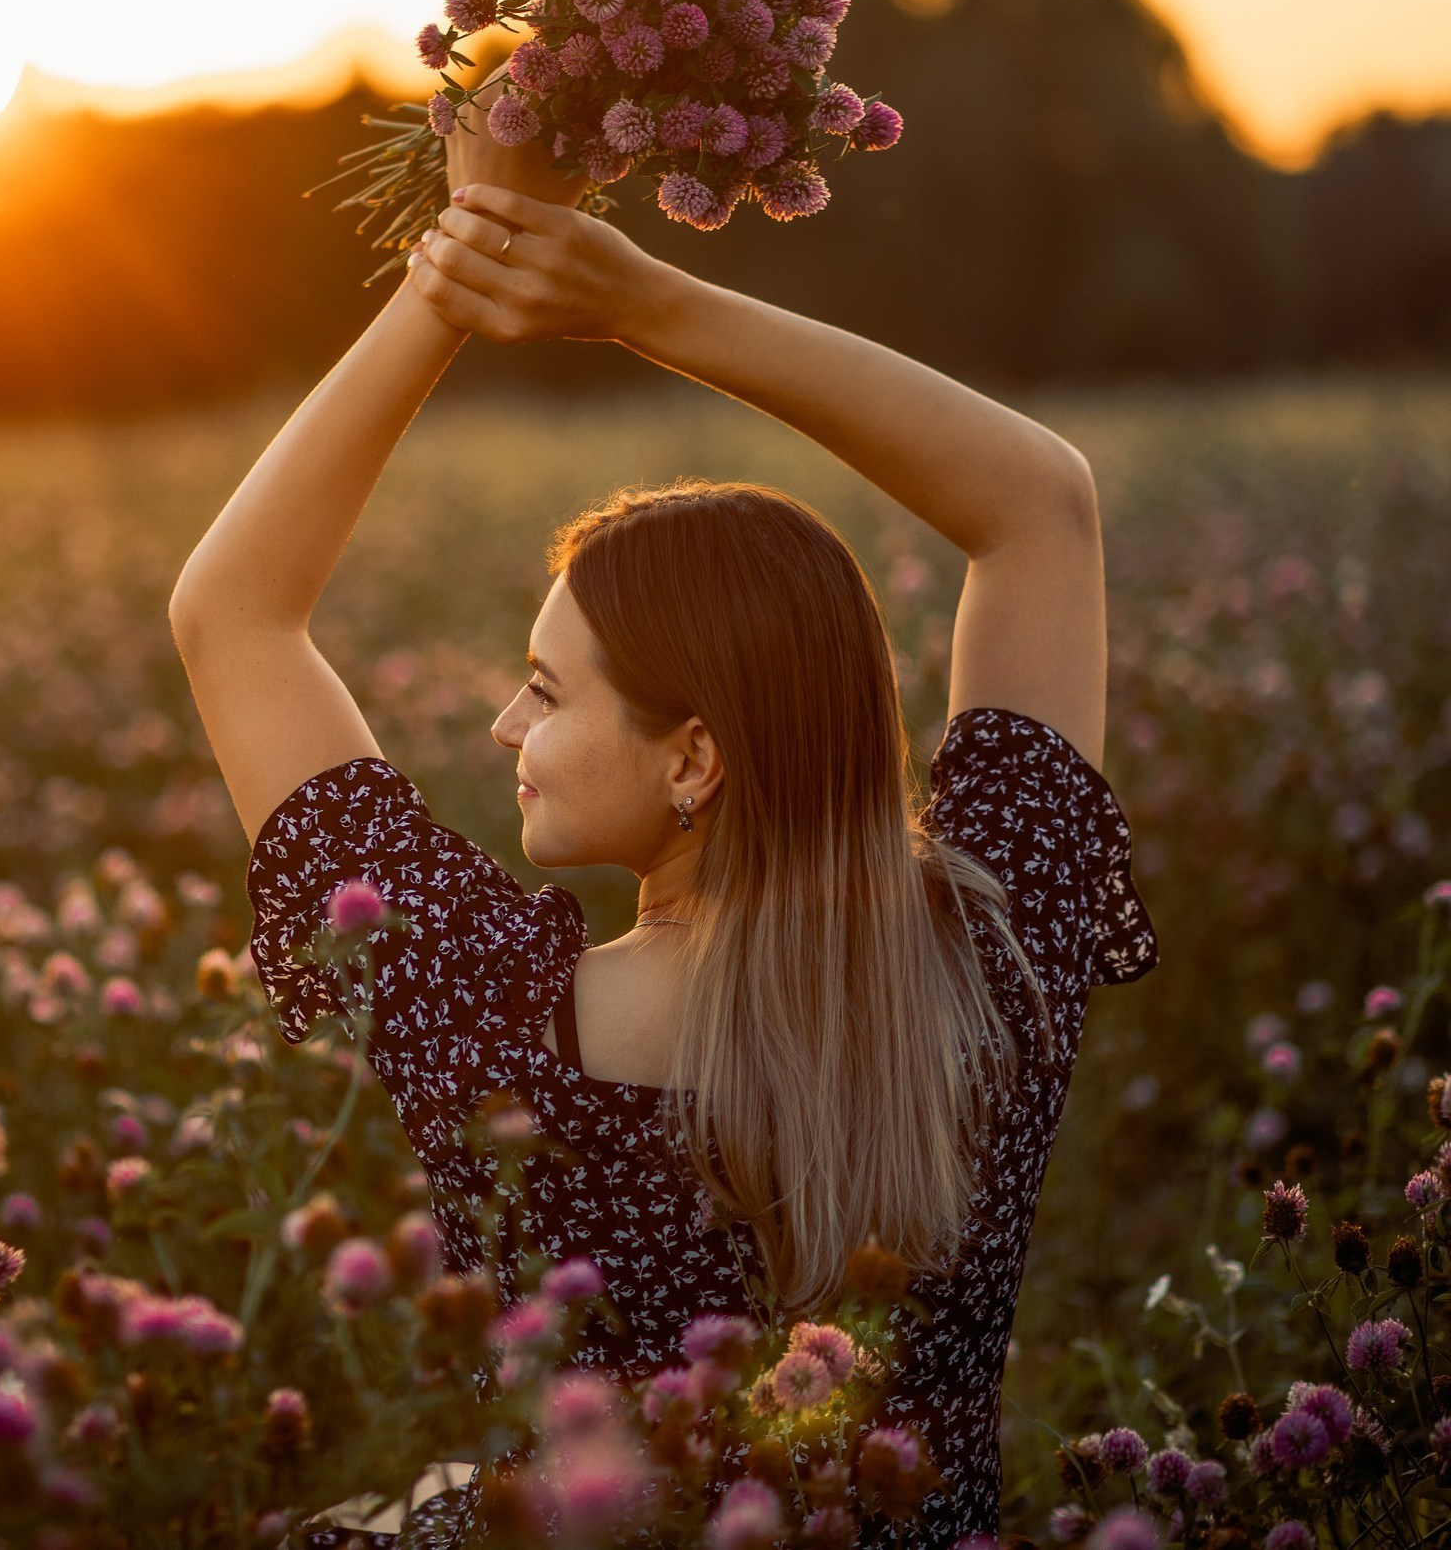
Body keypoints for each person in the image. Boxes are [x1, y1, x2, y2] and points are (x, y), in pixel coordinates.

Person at [165, 118, 1158, 1546]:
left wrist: (465, 265)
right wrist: (648, 303)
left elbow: (233, 613)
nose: (507, 726)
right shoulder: (993, 963)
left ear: (693, 757)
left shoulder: (489, 1006)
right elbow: (1039, 508)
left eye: (547, 690)